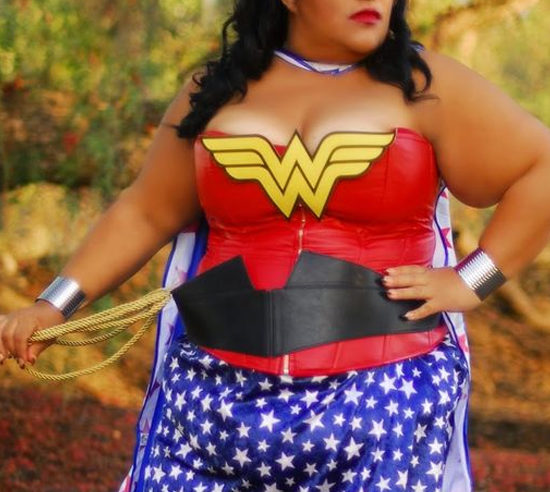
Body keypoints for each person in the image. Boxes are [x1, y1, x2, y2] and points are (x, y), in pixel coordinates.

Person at [1, 0, 550, 490]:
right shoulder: (215, 90)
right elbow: (145, 211)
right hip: (212, 400)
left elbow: (540, 167)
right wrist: (53, 306)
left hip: (382, 403)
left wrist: (471, 280)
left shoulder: (425, 85)